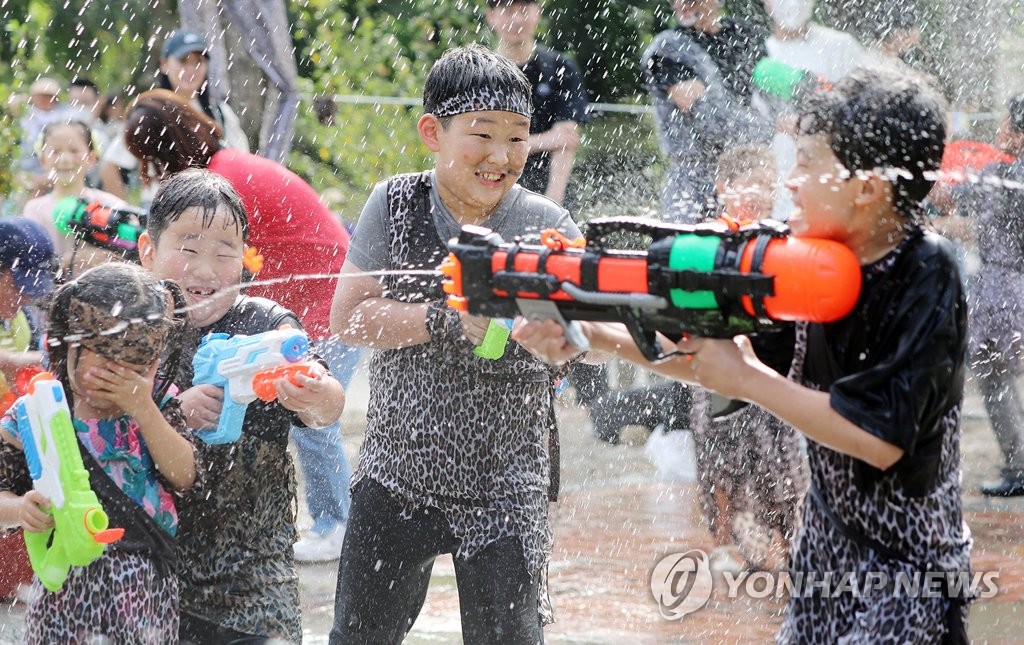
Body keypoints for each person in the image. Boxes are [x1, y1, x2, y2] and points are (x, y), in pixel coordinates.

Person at [515, 68, 972, 642]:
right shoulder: (807, 263)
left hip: (908, 577)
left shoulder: (924, 271)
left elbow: (881, 438)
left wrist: (748, 379)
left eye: (807, 161)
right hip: (822, 560)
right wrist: (590, 334)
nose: (790, 181)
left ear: (867, 188)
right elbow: (716, 360)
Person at [328, 44, 582, 644]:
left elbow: (586, 342)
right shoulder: (394, 204)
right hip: (397, 470)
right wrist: (447, 317)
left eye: (519, 137)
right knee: (358, 637)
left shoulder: (546, 226)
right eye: (483, 134)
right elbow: (349, 318)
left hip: (507, 481)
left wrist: (560, 337)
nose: (501, 156)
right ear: (432, 132)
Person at [123, 88, 357, 563]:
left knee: (308, 409)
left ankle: (337, 523)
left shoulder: (218, 185)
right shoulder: (226, 165)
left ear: (164, 149)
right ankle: (331, 519)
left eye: (150, 161)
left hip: (320, 291)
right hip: (317, 279)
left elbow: (235, 261)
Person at [137, 169, 346, 643]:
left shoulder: (264, 324)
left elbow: (326, 402)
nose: (206, 269)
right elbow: (99, 428)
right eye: (188, 249)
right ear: (149, 252)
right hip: (154, 569)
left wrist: (316, 396)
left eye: (224, 251)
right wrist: (171, 414)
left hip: (253, 575)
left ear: (245, 261)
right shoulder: (135, 328)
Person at [0, 262, 199, 643]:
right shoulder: (36, 415)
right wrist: (20, 508)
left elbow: (185, 475)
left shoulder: (157, 403)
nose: (122, 377)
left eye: (139, 365)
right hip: (63, 592)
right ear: (67, 346)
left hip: (144, 592)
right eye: (107, 361)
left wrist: (144, 408)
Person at [691, 144, 805, 573]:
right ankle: (725, 542)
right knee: (719, 463)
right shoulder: (705, 238)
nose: (759, 193)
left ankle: (794, 546)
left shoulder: (779, 239)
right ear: (724, 187)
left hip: (769, 373)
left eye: (766, 184)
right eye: (748, 184)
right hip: (717, 373)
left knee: (782, 468)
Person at [950, 94, 1024, 497]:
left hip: (1002, 290)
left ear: (1017, 132)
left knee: (994, 378)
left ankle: (1019, 466)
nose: (998, 133)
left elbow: (953, 206)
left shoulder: (1001, 177)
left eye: (1003, 126)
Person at [642, 0, 772, 224]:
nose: (681, 3)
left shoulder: (746, 37)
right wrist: (770, 126)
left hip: (746, 178)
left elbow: (774, 97)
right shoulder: (667, 50)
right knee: (685, 253)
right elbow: (709, 120)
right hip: (693, 184)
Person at [100, 29, 249, 200]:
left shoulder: (220, 113)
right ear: (164, 64)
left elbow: (241, 163)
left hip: (212, 212)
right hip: (159, 210)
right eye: (183, 61)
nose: (191, 69)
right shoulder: (150, 114)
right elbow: (110, 166)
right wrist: (126, 214)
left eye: (198, 61)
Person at [485, 0, 590, 207]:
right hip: (489, 190)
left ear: (538, 14)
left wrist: (552, 205)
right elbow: (480, 145)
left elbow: (566, 142)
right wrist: (547, 140)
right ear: (491, 16)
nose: (516, 19)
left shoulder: (561, 68)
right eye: (507, 11)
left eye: (523, 10)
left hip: (551, 191)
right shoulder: (479, 73)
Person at [20, 120, 132, 276]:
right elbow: (32, 263)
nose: (65, 159)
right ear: (43, 160)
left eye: (74, 150)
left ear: (92, 158)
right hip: (52, 297)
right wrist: (80, 257)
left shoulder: (109, 204)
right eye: (56, 152)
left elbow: (129, 247)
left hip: (102, 293)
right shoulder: (35, 209)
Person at [16, 77, 72, 196]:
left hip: (56, 173)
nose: (44, 99)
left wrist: (47, 178)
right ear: (33, 97)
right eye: (40, 95)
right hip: (25, 173)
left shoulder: (66, 116)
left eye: (48, 95)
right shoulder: (24, 116)